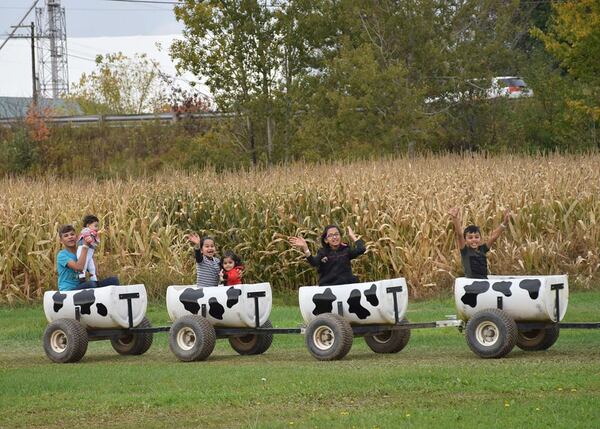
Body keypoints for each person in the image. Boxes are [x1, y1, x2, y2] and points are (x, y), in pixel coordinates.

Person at [289, 225, 366, 286]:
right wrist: (305, 248)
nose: (334, 237)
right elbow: (314, 262)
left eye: (336, 234)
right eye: (331, 235)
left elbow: (361, 249)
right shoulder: (323, 253)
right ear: (326, 240)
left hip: (346, 287)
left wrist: (352, 236)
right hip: (328, 288)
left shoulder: (346, 250)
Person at [448, 207, 510, 279]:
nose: (474, 240)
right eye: (470, 238)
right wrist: (455, 218)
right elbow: (459, 234)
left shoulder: (483, 249)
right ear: (465, 240)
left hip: (484, 283)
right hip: (471, 283)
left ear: (480, 239)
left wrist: (505, 223)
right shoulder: (465, 251)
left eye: (476, 237)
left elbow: (493, 237)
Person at [56, 224, 119, 291]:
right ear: (61, 241)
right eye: (66, 236)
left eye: (72, 234)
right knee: (91, 285)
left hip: (82, 287)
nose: (70, 237)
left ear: (77, 237)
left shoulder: (81, 251)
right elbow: (79, 268)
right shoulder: (62, 255)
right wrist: (85, 246)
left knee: (113, 280)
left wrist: (91, 249)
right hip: (69, 290)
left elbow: (96, 272)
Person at [76, 214, 100, 283]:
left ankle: (94, 278)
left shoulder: (93, 233)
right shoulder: (86, 231)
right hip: (83, 250)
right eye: (95, 226)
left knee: (91, 267)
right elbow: (86, 236)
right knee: (84, 263)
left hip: (90, 252)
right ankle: (81, 276)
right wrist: (89, 238)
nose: (97, 228)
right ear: (88, 225)